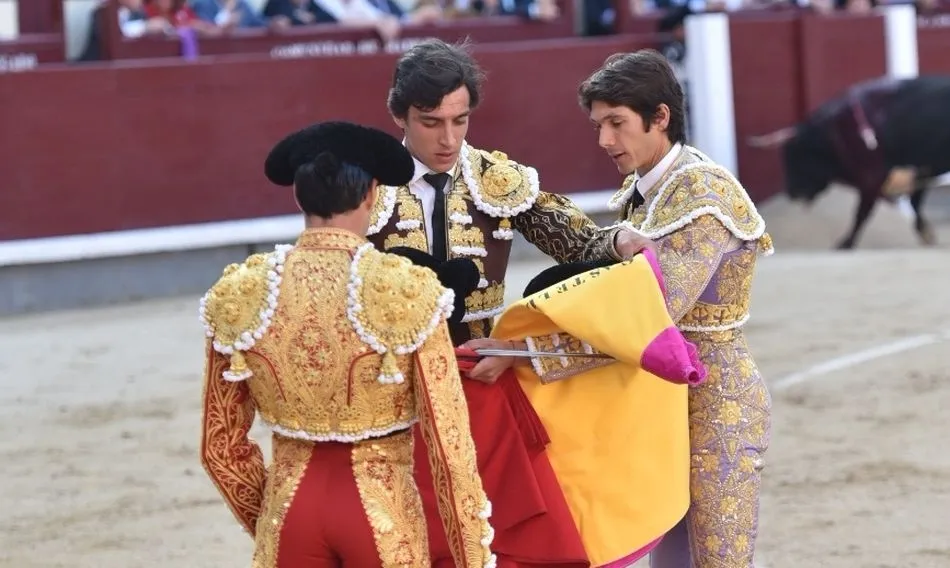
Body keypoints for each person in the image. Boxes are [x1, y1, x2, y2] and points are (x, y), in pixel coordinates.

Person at [367, 38, 650, 568]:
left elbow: (578, 239)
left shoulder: (497, 179)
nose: (448, 139)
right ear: (399, 115)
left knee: (497, 535)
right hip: (393, 389)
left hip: (481, 381)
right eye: (431, 123)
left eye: (461, 120)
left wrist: (618, 242)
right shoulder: (366, 185)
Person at [198, 120, 495, 567]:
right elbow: (449, 448)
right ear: (372, 194)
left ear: (299, 196)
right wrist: (473, 559)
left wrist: (273, 519)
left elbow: (219, 448)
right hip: (380, 512)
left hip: (290, 511)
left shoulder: (242, 292)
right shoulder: (408, 290)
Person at [576, 49, 774, 568]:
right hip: (661, 402)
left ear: (660, 117)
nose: (604, 141)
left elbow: (657, 306)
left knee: (716, 559)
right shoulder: (649, 188)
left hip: (716, 404)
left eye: (616, 123)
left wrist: (541, 353)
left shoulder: (700, 190)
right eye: (599, 125)